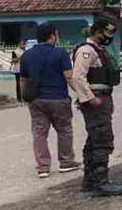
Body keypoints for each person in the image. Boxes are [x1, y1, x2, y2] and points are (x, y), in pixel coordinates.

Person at [70, 18, 122, 197]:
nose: (107, 37)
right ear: (95, 31)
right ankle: (101, 183)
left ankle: (90, 181)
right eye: (104, 33)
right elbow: (77, 77)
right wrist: (90, 99)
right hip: (96, 102)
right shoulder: (87, 50)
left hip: (101, 99)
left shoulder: (99, 50)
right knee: (102, 139)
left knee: (94, 140)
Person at [19, 24, 79, 178]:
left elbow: (23, 79)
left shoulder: (27, 55)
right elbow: (69, 77)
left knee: (39, 133)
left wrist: (25, 97)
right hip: (58, 98)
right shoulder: (60, 53)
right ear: (52, 36)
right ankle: (66, 162)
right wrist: (81, 94)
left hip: (36, 100)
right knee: (64, 130)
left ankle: (43, 167)